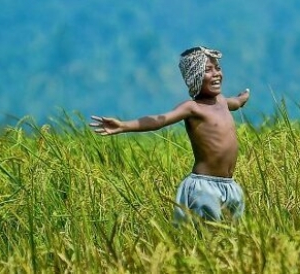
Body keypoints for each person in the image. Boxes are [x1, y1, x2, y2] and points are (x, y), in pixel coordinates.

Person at [90, 46, 250, 223]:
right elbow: (160, 120)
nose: (216, 74)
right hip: (205, 187)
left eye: (217, 68)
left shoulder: (222, 102)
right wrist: (124, 126)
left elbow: (235, 102)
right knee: (208, 236)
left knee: (234, 237)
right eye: (207, 70)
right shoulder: (193, 108)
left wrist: (242, 98)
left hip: (230, 185)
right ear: (194, 78)